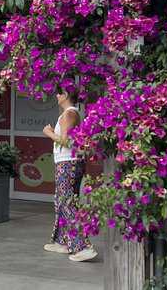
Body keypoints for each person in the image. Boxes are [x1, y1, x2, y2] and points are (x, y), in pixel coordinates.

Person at [42, 87, 97, 263]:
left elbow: (67, 141)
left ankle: (83, 247)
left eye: (59, 93)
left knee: (66, 202)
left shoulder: (69, 114)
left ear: (65, 95)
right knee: (61, 200)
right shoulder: (69, 113)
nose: (57, 96)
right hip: (66, 163)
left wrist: (49, 133)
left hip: (68, 163)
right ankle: (62, 241)